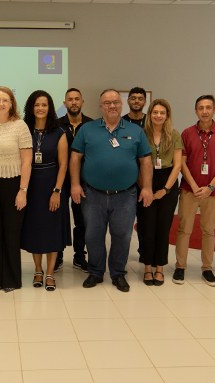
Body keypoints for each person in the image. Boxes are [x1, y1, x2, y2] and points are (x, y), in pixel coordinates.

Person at [70, 89, 153, 293]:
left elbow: (145, 161)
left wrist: (147, 187)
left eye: (115, 102)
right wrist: (75, 184)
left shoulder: (135, 131)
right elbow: (75, 158)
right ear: (101, 106)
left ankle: (117, 273)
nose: (112, 106)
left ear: (121, 104)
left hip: (125, 195)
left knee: (122, 235)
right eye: (107, 103)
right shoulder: (87, 129)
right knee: (93, 235)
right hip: (92, 194)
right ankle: (96, 271)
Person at [173, 95, 215, 287]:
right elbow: (182, 163)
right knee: (184, 229)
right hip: (189, 190)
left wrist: (210, 187)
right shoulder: (187, 133)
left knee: (209, 230)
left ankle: (207, 268)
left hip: (213, 191)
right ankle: (180, 267)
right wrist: (194, 186)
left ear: (214, 110)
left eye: (208, 107)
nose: (204, 111)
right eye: (201, 108)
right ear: (196, 111)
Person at [0, 86, 32, 292]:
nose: (1, 103)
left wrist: (23, 190)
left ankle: (11, 279)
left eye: (5, 100)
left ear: (11, 104)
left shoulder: (20, 126)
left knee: (11, 233)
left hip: (14, 185)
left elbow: (26, 162)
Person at [21, 90, 68, 291]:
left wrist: (57, 190)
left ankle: (50, 272)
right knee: (35, 229)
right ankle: (38, 270)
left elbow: (63, 165)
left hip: (51, 186)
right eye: (37, 104)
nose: (40, 108)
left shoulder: (59, 132)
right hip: (31, 186)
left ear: (50, 108)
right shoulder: (24, 130)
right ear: (31, 108)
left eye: (44, 105)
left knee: (52, 230)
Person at [136, 99, 182, 286]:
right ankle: (148, 267)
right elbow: (136, 162)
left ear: (167, 115)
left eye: (162, 112)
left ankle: (159, 268)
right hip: (145, 179)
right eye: (155, 112)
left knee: (163, 228)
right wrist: (144, 187)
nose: (158, 115)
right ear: (150, 114)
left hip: (167, 181)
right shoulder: (141, 134)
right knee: (146, 227)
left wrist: (166, 189)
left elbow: (178, 165)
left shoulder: (174, 135)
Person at [57, 88, 93, 272]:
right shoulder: (56, 125)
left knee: (82, 220)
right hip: (61, 180)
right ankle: (57, 256)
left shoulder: (92, 125)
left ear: (82, 102)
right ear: (65, 103)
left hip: (84, 180)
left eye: (77, 99)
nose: (73, 102)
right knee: (59, 219)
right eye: (70, 99)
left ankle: (79, 256)